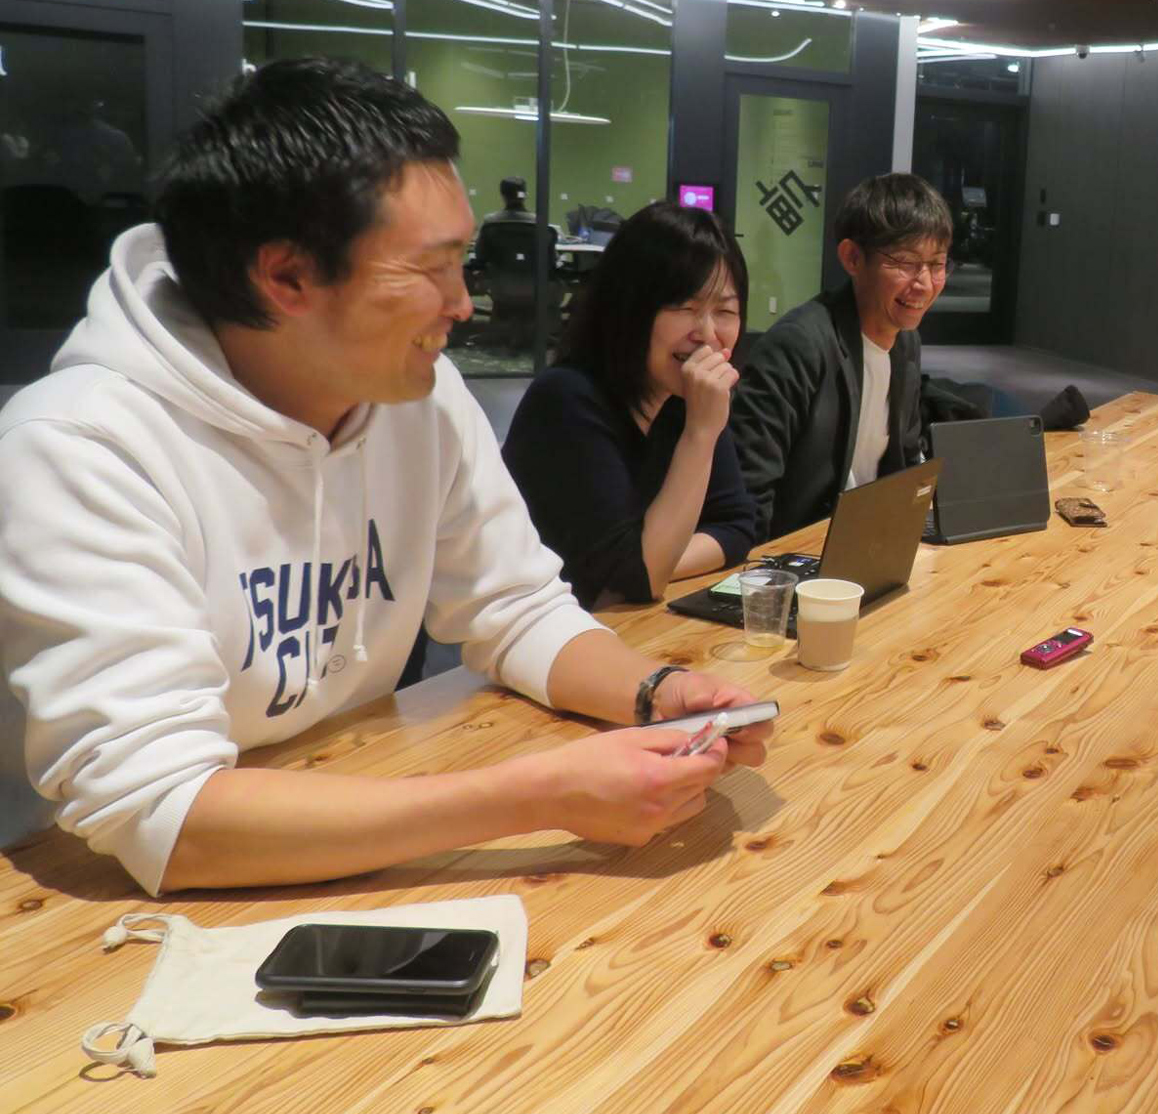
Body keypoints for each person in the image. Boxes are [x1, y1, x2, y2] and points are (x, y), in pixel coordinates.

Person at [0, 58, 772, 894]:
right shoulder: (79, 447)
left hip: (347, 809)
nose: (464, 304)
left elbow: (517, 608)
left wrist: (657, 691)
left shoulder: (419, 396)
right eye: (432, 268)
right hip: (93, 897)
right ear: (287, 276)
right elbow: (163, 812)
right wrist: (539, 797)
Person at [502, 202, 756, 608]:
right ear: (629, 308)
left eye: (725, 311)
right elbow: (643, 576)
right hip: (532, 633)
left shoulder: (682, 396)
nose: (708, 334)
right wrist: (700, 435)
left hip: (614, 621)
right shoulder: (566, 400)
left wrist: (653, 564)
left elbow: (736, 526)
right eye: (685, 307)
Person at [732, 172, 952, 541]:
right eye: (905, 262)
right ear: (852, 258)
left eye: (937, 264)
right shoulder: (798, 345)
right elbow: (749, 495)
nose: (925, 284)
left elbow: (905, 456)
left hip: (870, 542)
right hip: (798, 552)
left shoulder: (906, 342)